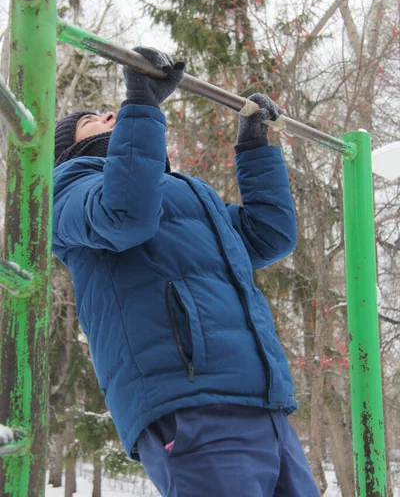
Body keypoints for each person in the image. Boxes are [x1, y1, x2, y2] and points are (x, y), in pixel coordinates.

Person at [52, 47, 320, 497]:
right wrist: (140, 104)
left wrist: (254, 147)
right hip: (189, 402)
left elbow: (269, 236)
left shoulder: (188, 193)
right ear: (71, 149)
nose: (109, 114)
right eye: (94, 119)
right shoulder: (69, 190)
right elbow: (126, 214)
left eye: (113, 110)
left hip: (263, 401)